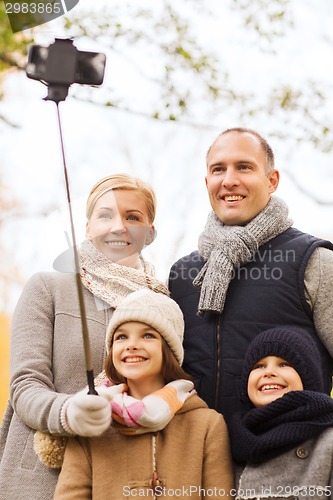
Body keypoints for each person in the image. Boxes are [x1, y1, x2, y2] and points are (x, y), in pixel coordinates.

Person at [0, 173, 169, 500]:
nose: (118, 227)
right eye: (105, 215)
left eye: (132, 217)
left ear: (149, 233)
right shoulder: (47, 288)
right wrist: (67, 411)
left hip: (124, 479)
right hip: (41, 480)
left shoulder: (166, 307)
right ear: (88, 227)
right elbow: (24, 385)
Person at [168, 127, 333, 425]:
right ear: (207, 182)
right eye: (218, 169)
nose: (229, 180)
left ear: (272, 181)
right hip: (198, 461)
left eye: (244, 167)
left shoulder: (314, 261)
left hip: (291, 458)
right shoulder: (181, 275)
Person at [54, 289, 235, 499]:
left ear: (169, 349)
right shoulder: (92, 419)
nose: (131, 345)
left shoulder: (207, 425)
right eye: (121, 337)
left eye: (148, 335)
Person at [229, 326, 333, 499]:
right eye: (259, 366)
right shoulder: (232, 442)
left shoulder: (327, 442)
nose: (269, 372)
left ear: (308, 378)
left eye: (284, 364)